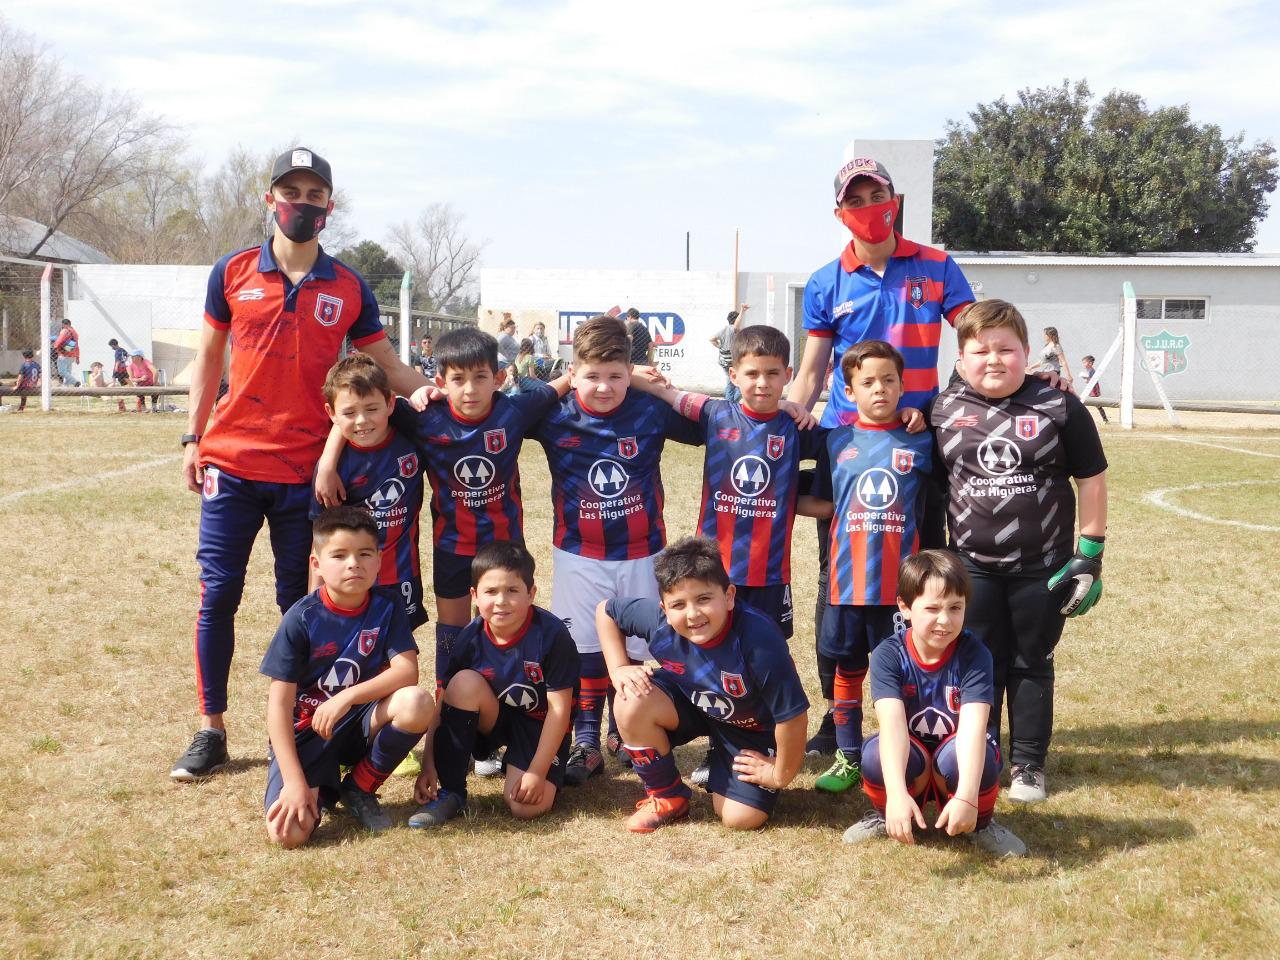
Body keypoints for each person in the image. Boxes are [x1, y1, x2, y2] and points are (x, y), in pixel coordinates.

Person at [172, 146, 431, 782]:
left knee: (301, 604)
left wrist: (434, 392)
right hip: (231, 464)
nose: (303, 204)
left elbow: (388, 366)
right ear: (271, 200)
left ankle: (300, 725)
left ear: (329, 207)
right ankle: (211, 728)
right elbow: (209, 360)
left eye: (315, 196)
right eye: (292, 193)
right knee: (219, 595)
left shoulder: (348, 286)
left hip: (307, 472)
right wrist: (191, 436)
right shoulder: (231, 271)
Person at [317, 327, 571, 778]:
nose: (469, 389)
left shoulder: (514, 410)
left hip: (504, 553)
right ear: (439, 380)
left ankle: (495, 734)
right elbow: (358, 413)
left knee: (505, 634)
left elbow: (562, 384)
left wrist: (629, 377)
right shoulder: (423, 416)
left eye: (480, 377)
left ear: (500, 376)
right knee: (452, 643)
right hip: (452, 549)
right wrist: (327, 460)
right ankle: (441, 734)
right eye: (457, 379)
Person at [788, 155, 975, 757]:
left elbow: (977, 337)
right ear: (840, 212)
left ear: (895, 199)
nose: (870, 208)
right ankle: (835, 717)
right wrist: (782, 420)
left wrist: (1018, 377)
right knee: (836, 581)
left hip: (919, 448)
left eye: (878, 195)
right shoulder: (825, 282)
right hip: (848, 451)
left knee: (919, 572)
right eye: (857, 199)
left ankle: (924, 699)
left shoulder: (939, 266)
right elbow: (813, 369)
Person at [928, 299, 1108, 803]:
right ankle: (980, 751)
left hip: (1043, 567)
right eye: (979, 350)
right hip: (971, 569)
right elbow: (936, 485)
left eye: (1005, 349)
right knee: (979, 661)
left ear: (1026, 353)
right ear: (961, 360)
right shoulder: (942, 410)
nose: (993, 359)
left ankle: (1028, 763)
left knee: (1031, 661)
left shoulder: (1059, 404)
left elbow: (1091, 476)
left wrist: (1090, 551)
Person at [530, 315, 703, 785]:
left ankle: (622, 727)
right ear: (573, 371)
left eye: (616, 376)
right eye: (591, 376)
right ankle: (585, 738)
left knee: (640, 644)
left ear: (631, 370)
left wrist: (663, 388)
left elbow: (710, 421)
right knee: (585, 647)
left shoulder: (648, 410)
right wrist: (562, 382)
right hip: (578, 552)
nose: (604, 388)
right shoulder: (554, 413)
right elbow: (509, 407)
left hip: (643, 552)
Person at [597, 537, 809, 832]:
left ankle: (730, 769)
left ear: (729, 595)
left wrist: (779, 775)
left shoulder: (759, 640)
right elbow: (606, 611)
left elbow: (793, 717)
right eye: (678, 605)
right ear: (664, 608)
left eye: (704, 599)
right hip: (693, 701)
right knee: (630, 699)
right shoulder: (658, 622)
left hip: (750, 727)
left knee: (739, 818)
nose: (693, 614)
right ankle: (667, 796)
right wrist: (618, 667)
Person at [804, 340, 934, 794]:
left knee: (902, 672)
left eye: (888, 380)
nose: (879, 389)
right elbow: (823, 502)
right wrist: (774, 502)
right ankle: (848, 755)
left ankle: (907, 750)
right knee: (847, 669)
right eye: (867, 382)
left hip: (900, 588)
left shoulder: (921, 438)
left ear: (903, 386)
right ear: (848, 389)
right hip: (846, 582)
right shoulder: (836, 441)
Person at [259, 506, 433, 845]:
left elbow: (407, 671)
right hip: (309, 733)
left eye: (364, 553)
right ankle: (317, 787)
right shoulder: (301, 618)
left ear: (379, 560)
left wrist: (346, 697)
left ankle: (359, 788)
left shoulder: (387, 604)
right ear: (317, 564)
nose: (353, 563)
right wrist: (294, 782)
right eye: (339, 555)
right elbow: (278, 708)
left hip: (358, 723)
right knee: (288, 835)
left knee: (418, 702)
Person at [842, 550, 1026, 857]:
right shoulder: (888, 655)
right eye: (932, 608)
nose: (945, 620)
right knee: (874, 754)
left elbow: (972, 728)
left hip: (952, 757)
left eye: (956, 607)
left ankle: (981, 823)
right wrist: (897, 795)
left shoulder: (975, 654)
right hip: (912, 755)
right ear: (905, 606)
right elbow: (892, 728)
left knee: (977, 753)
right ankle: (885, 812)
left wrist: (967, 797)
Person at [409, 541, 579, 827]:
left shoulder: (551, 635)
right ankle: (452, 791)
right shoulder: (470, 637)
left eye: (512, 590)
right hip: (495, 720)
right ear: (475, 595)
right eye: (491, 591)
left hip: (540, 727)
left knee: (525, 808)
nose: (501, 601)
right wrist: (429, 763)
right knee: (462, 684)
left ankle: (521, 763)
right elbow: (443, 700)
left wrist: (537, 772)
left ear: (531, 593)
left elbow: (559, 711)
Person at [311, 354, 427, 631]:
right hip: (351, 579)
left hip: (401, 574)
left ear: (389, 404)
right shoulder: (331, 470)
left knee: (400, 656)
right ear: (332, 414)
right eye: (350, 413)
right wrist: (314, 599)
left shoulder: (411, 439)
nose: (362, 421)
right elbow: (319, 538)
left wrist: (428, 390)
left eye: (372, 409)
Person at [709, 304, 748, 402]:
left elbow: (712, 339)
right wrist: (742, 311)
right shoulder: (733, 329)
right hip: (733, 362)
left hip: (724, 361)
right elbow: (736, 326)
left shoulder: (723, 330)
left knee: (730, 382)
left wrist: (720, 347)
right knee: (739, 383)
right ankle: (731, 403)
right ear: (736, 320)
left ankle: (729, 402)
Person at [1081, 354, 1109, 423]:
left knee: (1097, 405)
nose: (1083, 364)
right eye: (1083, 363)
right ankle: (1105, 419)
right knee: (1088, 403)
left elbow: (1093, 380)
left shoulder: (1091, 370)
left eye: (1085, 362)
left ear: (1090, 363)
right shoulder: (1089, 370)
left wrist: (1086, 378)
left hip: (1094, 390)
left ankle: (1105, 420)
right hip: (1090, 390)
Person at [52, 318, 80, 387]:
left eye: (62, 325)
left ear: (64, 324)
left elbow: (60, 340)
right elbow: (76, 345)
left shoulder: (65, 330)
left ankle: (75, 382)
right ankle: (65, 388)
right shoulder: (75, 332)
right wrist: (77, 357)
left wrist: (55, 346)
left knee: (61, 371)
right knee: (68, 372)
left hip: (63, 355)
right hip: (72, 355)